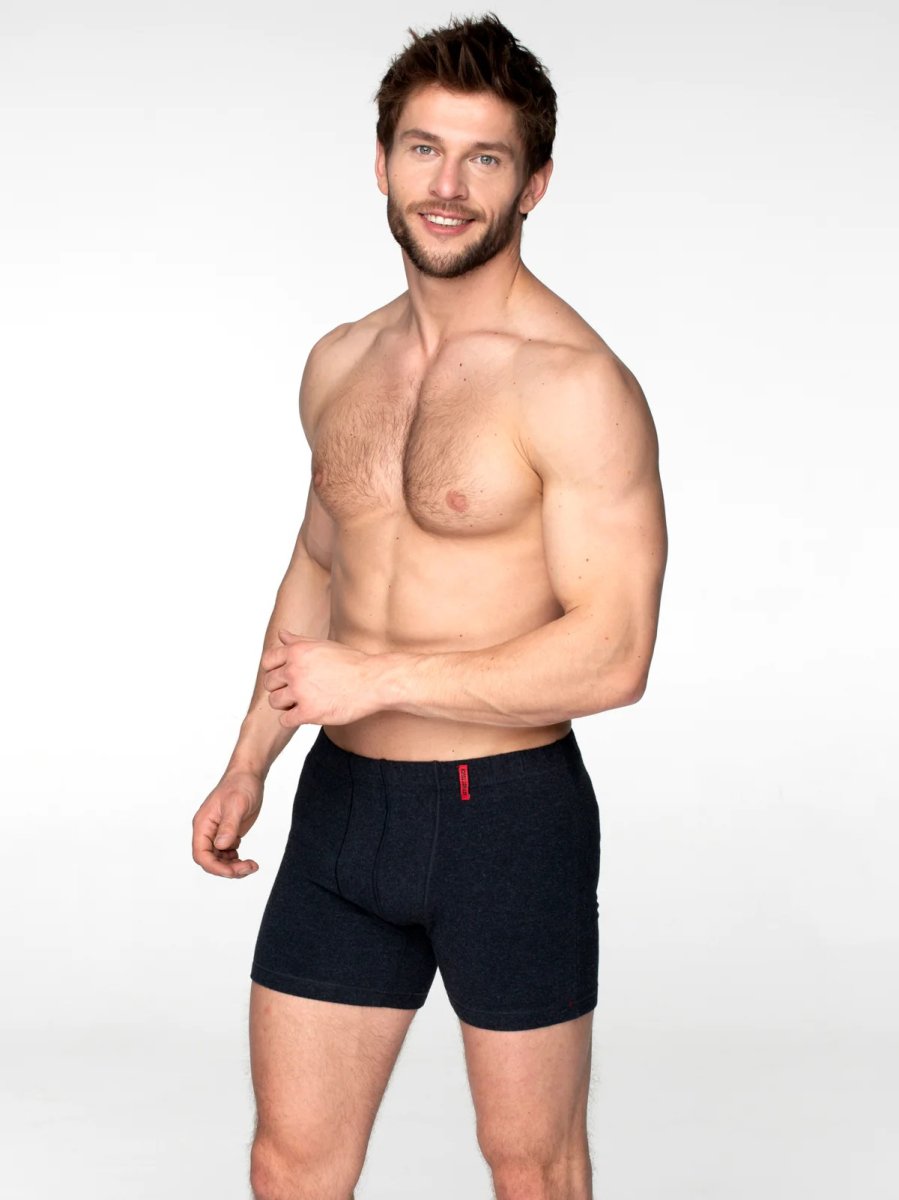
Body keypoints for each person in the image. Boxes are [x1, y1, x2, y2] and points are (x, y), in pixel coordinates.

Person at [192, 13, 667, 1200]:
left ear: (532, 183)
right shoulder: (338, 361)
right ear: (381, 162)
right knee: (289, 1161)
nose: (446, 186)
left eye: (483, 157)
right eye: (423, 149)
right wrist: (250, 760)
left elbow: (613, 654)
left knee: (530, 1167)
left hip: (503, 818)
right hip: (342, 808)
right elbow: (318, 565)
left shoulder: (575, 385)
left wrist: (382, 678)